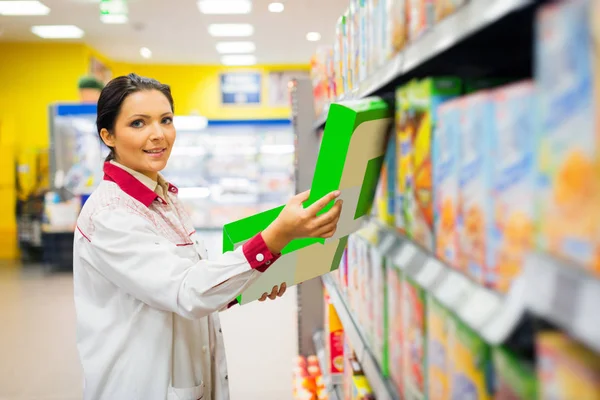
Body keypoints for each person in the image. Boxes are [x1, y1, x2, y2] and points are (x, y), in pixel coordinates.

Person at [73, 73, 343, 400]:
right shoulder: (111, 214)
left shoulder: (163, 196)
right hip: (140, 385)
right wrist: (275, 237)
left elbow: (191, 278)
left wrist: (250, 280)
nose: (158, 134)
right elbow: (185, 290)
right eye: (138, 123)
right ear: (108, 135)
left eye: (166, 120)